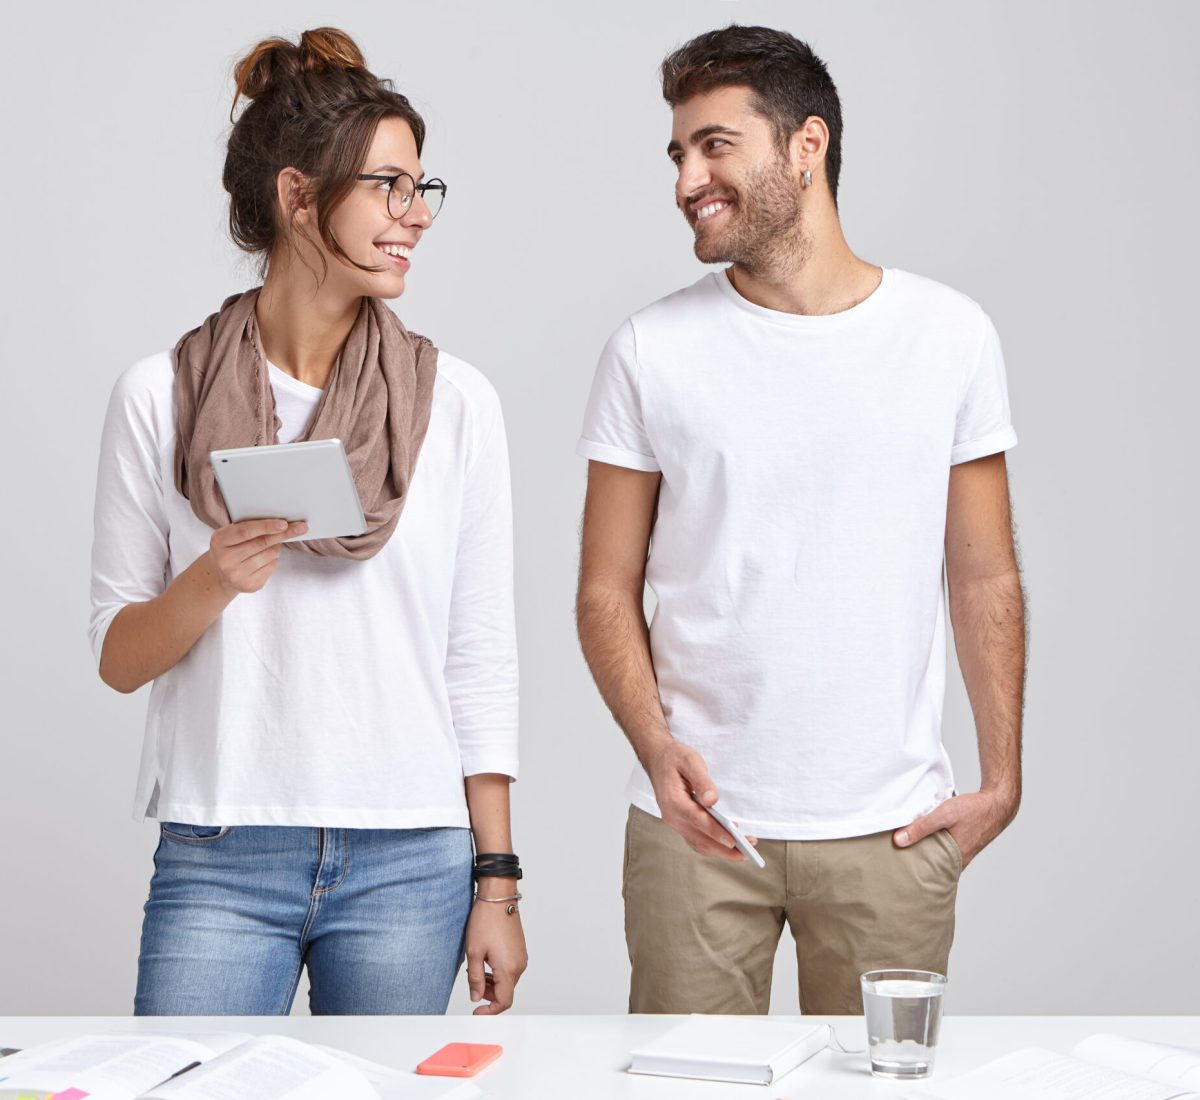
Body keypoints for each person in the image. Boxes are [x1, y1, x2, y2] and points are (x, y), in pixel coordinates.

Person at [575, 25, 1025, 1015]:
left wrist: (1001, 776)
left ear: (807, 145)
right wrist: (656, 745)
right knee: (681, 1093)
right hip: (693, 833)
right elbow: (604, 588)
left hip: (891, 828)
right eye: (679, 153)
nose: (688, 177)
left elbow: (984, 571)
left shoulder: (948, 335)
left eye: (715, 144)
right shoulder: (650, 349)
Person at [89, 28, 527, 1016]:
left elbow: (481, 655)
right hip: (221, 846)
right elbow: (117, 655)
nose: (416, 215)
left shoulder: (454, 403)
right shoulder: (161, 396)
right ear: (297, 197)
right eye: (389, 187)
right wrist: (211, 580)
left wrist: (496, 881)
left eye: (423, 188)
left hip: (410, 853)